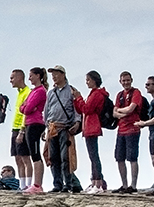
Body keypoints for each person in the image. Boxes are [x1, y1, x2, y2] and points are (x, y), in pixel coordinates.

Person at [44, 65, 80, 193]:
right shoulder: (51, 93)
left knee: (66, 157)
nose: (53, 77)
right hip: (52, 128)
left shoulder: (71, 90)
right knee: (53, 158)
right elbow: (47, 111)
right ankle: (57, 184)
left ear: (63, 74)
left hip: (65, 127)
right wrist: (45, 128)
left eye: (56, 74)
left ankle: (68, 184)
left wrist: (77, 122)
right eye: (52, 74)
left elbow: (76, 107)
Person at [73, 70, 110, 194]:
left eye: (88, 80)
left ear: (94, 80)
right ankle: (94, 181)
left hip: (92, 126)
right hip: (89, 127)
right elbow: (81, 110)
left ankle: (98, 183)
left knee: (94, 156)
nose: (87, 82)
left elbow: (87, 109)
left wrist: (78, 98)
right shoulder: (93, 94)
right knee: (92, 156)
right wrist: (77, 100)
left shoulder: (97, 94)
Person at [112, 71, 143, 193]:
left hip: (133, 128)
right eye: (124, 80)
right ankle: (124, 185)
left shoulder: (136, 92)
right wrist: (121, 112)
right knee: (119, 157)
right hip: (121, 130)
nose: (126, 82)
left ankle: (133, 186)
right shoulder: (119, 95)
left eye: (128, 80)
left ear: (131, 80)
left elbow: (131, 109)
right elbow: (114, 113)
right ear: (120, 81)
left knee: (132, 158)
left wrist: (120, 111)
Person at [19, 67, 48, 194]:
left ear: (38, 76)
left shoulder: (41, 91)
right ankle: (36, 184)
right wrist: (27, 107)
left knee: (36, 154)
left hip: (36, 123)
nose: (29, 78)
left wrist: (28, 107)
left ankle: (37, 184)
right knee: (32, 153)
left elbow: (28, 108)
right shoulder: (33, 91)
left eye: (31, 75)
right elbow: (23, 108)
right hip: (29, 123)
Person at [9, 69, 32, 189]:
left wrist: (22, 131)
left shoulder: (28, 92)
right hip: (15, 127)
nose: (10, 80)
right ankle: (22, 185)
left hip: (23, 128)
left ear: (19, 78)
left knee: (25, 157)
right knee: (17, 158)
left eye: (12, 78)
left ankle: (28, 184)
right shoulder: (19, 93)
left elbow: (26, 113)